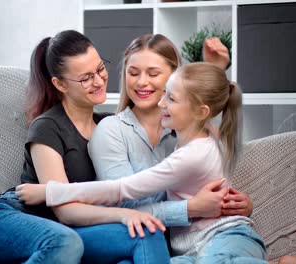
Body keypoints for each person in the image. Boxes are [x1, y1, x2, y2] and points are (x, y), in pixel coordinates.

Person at [16, 62, 268, 263]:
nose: (161, 103)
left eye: (171, 98)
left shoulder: (194, 151)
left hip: (222, 237)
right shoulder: (189, 137)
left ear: (201, 112)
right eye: (133, 72)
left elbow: (121, 188)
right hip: (187, 249)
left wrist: (49, 191)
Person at [0, 30, 171, 264]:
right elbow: (65, 211)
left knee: (146, 232)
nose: (99, 81)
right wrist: (125, 215)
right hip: (1, 222)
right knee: (64, 243)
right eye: (85, 78)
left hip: (69, 233)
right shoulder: (48, 126)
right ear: (60, 84)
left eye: (101, 69)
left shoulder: (109, 126)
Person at [88, 34, 252, 226]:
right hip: (144, 242)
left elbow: (220, 189)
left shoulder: (196, 134)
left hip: (200, 240)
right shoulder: (111, 130)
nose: (141, 82)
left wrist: (241, 206)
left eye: (153, 74)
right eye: (133, 73)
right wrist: (191, 208)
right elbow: (126, 210)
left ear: (175, 76)